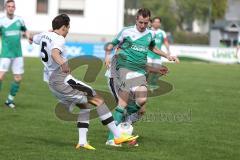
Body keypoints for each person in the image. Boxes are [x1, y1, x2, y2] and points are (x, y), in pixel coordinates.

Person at [31, 14, 138, 150]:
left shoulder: (44, 35)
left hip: (52, 83)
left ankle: (82, 142)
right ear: (63, 27)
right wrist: (63, 63)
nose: (68, 31)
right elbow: (54, 53)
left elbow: (32, 38)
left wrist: (46, 33)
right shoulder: (58, 39)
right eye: (68, 28)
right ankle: (117, 136)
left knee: (84, 105)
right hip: (62, 81)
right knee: (98, 100)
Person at [105, 8, 179, 146]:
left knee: (142, 99)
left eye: (145, 23)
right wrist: (108, 56)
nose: (143, 26)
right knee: (123, 104)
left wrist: (167, 56)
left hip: (139, 72)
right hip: (124, 70)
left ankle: (124, 124)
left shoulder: (150, 34)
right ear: (136, 20)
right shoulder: (126, 31)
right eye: (140, 22)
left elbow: (154, 48)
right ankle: (112, 139)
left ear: (148, 21)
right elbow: (113, 44)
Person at [0, 0, 31, 108]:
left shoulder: (19, 20)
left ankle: (9, 101)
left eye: (12, 6)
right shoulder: (1, 21)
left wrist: (29, 37)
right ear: (5, 8)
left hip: (18, 54)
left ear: (15, 8)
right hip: (5, 54)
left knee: (18, 78)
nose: (11, 8)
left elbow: (25, 30)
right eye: (9, 6)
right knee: (0, 76)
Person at [147, 16, 170, 90]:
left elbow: (166, 41)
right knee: (148, 69)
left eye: (158, 22)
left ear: (160, 24)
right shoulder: (148, 31)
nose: (157, 23)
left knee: (157, 71)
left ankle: (153, 84)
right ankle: (145, 83)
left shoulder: (162, 32)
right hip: (149, 54)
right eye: (155, 22)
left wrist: (168, 50)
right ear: (152, 23)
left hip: (157, 55)